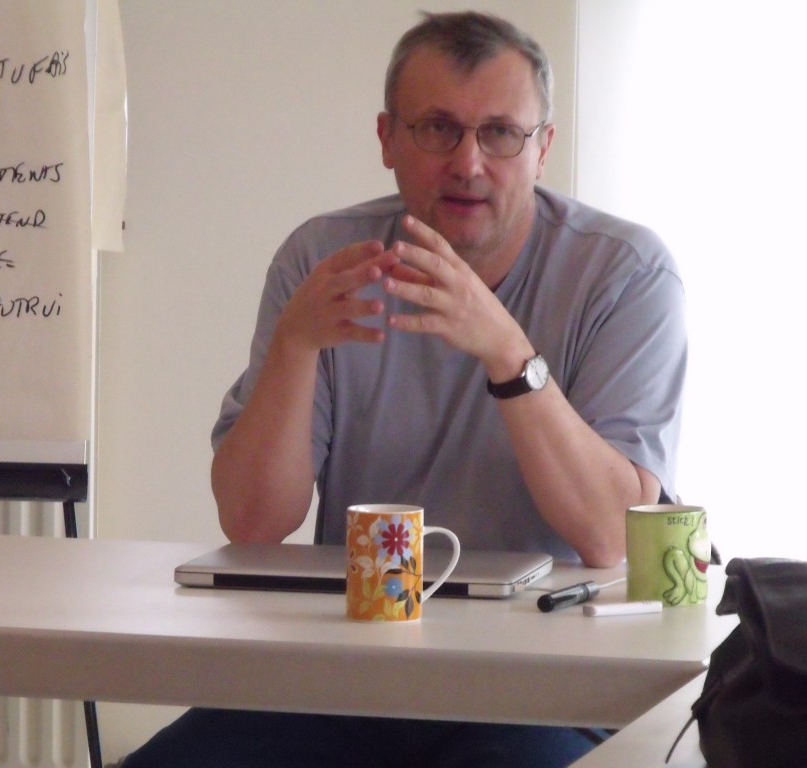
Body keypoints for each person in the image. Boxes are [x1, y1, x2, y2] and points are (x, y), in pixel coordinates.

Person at [122, 10, 685, 768]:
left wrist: (508, 352)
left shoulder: (626, 274)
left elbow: (611, 536)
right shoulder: (323, 260)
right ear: (387, 139)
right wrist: (294, 346)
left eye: (500, 133)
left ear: (543, 148)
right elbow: (252, 522)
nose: (468, 163)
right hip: (347, 676)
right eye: (437, 129)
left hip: (545, 686)